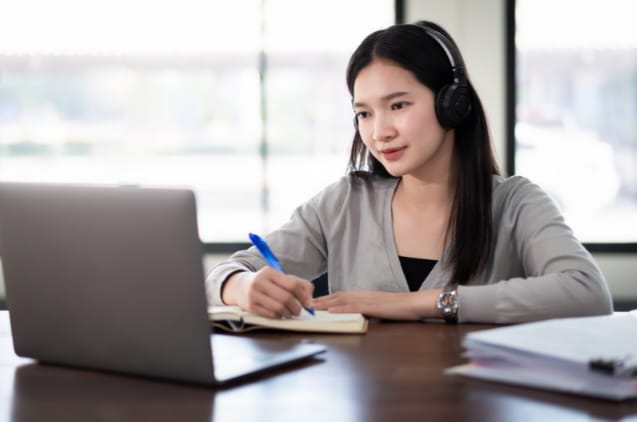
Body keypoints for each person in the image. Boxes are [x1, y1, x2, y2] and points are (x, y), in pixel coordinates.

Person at [206, 20, 613, 324]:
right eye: (364, 113)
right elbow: (227, 273)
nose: (379, 132)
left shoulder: (516, 204)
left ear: (452, 104)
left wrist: (415, 303)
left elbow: (588, 294)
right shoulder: (346, 202)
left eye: (398, 105)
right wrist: (241, 287)